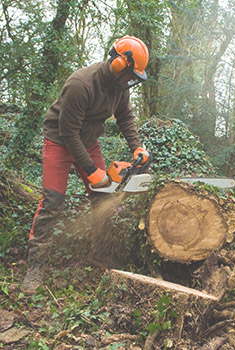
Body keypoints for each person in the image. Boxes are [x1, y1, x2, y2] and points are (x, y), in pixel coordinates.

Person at [22, 36, 150, 295]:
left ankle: (100, 254)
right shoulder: (81, 84)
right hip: (60, 140)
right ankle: (35, 267)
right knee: (52, 201)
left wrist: (136, 146)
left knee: (102, 197)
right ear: (117, 63)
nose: (129, 81)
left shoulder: (121, 86)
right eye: (128, 74)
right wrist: (92, 171)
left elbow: (125, 116)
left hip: (88, 140)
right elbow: (68, 133)